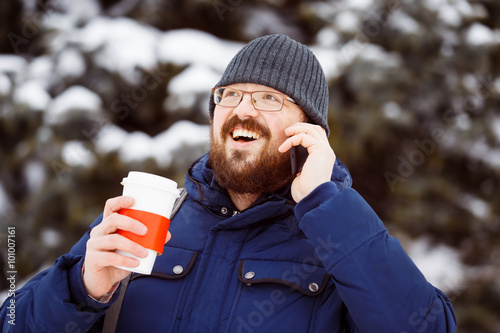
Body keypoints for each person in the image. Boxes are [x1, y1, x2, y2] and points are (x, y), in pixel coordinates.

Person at [1, 34, 457, 333]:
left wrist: (327, 205)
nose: (243, 109)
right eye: (230, 94)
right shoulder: (157, 217)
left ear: (308, 129)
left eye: (268, 98)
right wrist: (80, 289)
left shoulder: (338, 238)